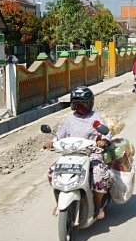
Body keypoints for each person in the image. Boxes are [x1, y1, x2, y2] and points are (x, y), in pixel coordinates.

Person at [47, 86, 113, 219]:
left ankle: (97, 205)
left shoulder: (95, 118)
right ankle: (60, 199)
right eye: (76, 103)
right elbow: (60, 135)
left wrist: (103, 141)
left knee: (99, 175)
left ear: (89, 103)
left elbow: (107, 132)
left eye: (82, 103)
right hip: (71, 153)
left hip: (91, 153)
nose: (79, 106)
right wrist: (52, 142)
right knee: (52, 172)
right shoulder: (69, 119)